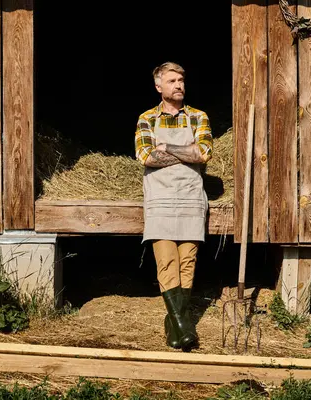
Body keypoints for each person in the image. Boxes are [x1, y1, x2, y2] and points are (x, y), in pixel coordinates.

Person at [134, 62, 213, 351]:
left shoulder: (198, 117)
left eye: (181, 79)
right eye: (172, 80)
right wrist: (186, 152)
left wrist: (167, 148)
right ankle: (183, 325)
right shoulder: (146, 118)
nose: (178, 84)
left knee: (187, 262)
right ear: (159, 87)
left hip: (191, 198)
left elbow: (203, 153)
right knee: (166, 262)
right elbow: (145, 156)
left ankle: (175, 325)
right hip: (160, 199)